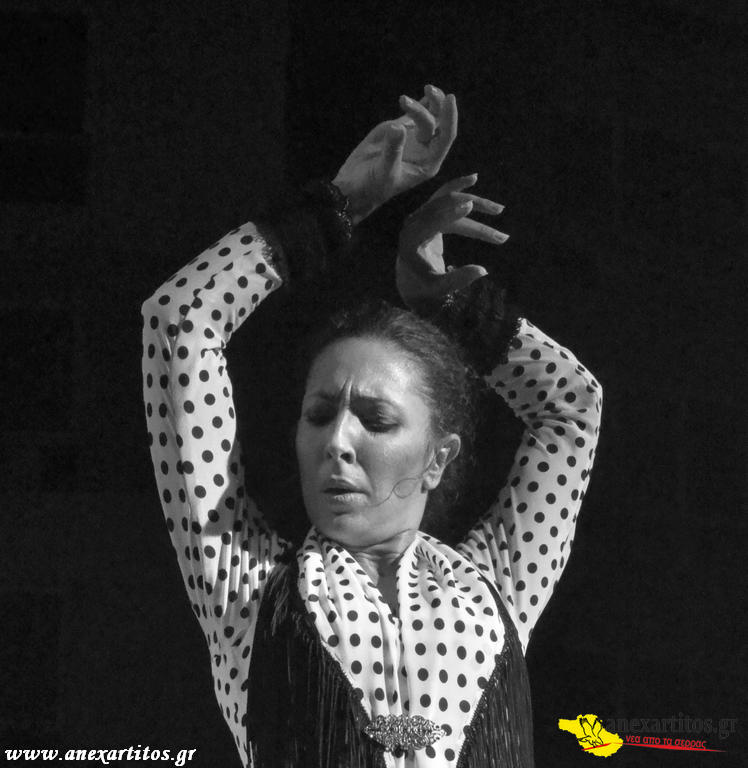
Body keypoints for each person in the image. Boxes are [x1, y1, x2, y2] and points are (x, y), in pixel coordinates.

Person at [141, 85, 602, 767]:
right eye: (319, 414)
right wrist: (337, 207)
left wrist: (449, 307)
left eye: (377, 420)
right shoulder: (245, 585)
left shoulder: (499, 587)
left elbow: (571, 407)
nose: (337, 442)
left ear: (438, 457)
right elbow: (179, 323)